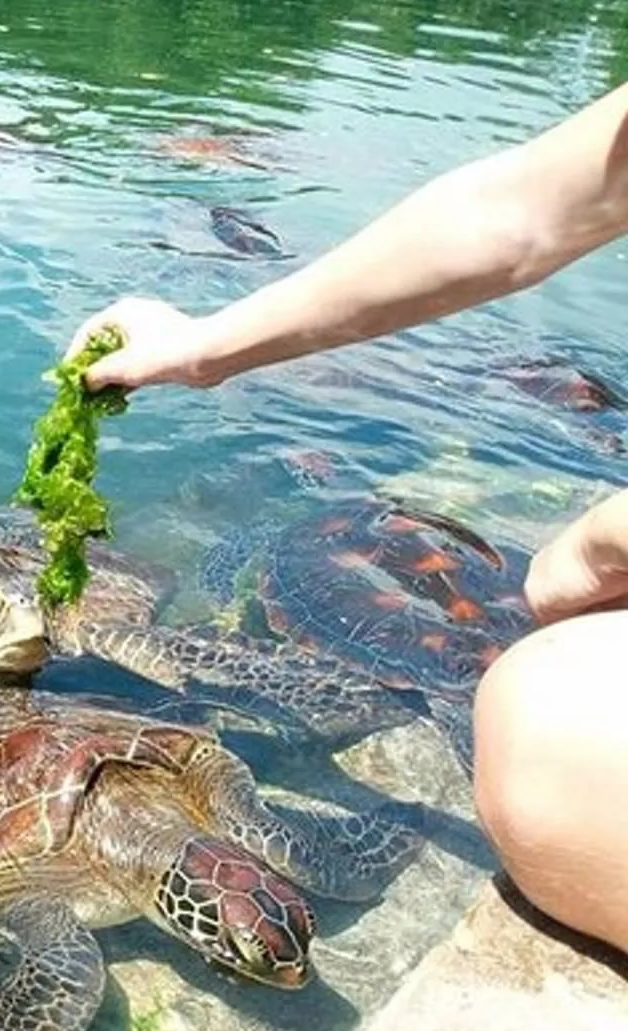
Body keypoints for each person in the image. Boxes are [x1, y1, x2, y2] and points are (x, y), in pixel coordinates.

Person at [66, 80, 628, 952]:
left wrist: (604, 535)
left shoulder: (283, 542)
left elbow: (521, 213)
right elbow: (515, 212)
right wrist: (205, 349)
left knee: (535, 722)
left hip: (455, 638)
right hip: (461, 585)